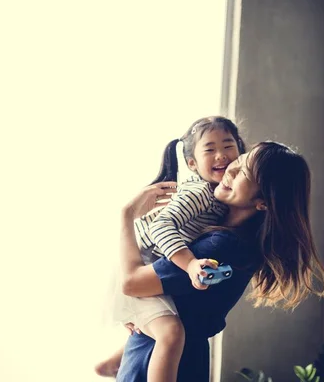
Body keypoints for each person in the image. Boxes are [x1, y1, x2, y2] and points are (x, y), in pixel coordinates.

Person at [115, 141, 324, 381]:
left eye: (243, 173)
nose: (230, 170)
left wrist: (126, 216)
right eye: (237, 162)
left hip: (159, 364)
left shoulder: (222, 245)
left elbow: (131, 283)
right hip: (175, 360)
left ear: (264, 202)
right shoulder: (236, 240)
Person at [96, 116, 246, 381]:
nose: (221, 155)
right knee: (171, 333)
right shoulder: (200, 192)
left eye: (228, 146)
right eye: (209, 149)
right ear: (192, 163)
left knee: (166, 322)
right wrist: (189, 263)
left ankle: (112, 363)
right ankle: (112, 363)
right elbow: (161, 226)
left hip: (152, 263)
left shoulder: (222, 200)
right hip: (142, 260)